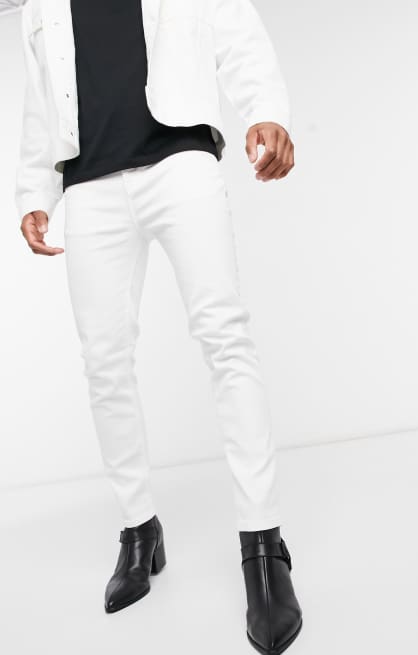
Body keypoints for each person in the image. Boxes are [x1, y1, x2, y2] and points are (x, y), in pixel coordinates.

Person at [5, 0, 302, 652]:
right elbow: (41, 99)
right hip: (89, 182)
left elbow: (235, 28)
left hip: (179, 160)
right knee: (104, 361)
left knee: (225, 337)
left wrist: (266, 111)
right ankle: (139, 529)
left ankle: (263, 546)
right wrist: (33, 193)